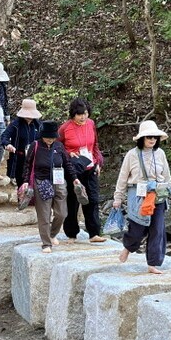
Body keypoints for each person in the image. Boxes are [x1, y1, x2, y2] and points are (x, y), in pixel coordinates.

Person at [113, 120, 171, 273]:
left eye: (154, 137)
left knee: (157, 229)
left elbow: (166, 177)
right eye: (148, 137)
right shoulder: (132, 155)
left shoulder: (161, 154)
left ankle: (153, 264)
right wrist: (118, 198)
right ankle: (128, 247)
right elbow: (123, 178)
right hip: (138, 196)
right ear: (141, 139)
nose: (152, 140)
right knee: (137, 227)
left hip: (158, 195)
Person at [23, 120, 79, 253]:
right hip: (41, 182)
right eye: (48, 137)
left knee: (62, 213)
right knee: (44, 215)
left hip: (59, 182)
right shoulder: (35, 145)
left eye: (53, 137)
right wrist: (25, 181)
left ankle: (52, 234)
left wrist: (75, 179)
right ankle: (46, 243)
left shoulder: (59, 146)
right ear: (42, 135)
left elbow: (68, 164)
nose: (50, 139)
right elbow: (27, 165)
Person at [59, 98, 106, 243]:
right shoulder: (64, 128)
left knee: (92, 199)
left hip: (90, 167)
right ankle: (71, 234)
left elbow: (95, 145)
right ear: (73, 114)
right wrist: (68, 154)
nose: (83, 117)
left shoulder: (91, 124)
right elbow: (57, 148)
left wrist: (98, 162)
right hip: (74, 169)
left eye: (85, 113)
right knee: (73, 201)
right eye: (79, 114)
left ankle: (94, 234)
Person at [2, 98, 41, 186]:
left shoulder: (38, 125)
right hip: (19, 158)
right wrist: (8, 144)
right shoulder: (15, 125)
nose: (29, 117)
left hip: (34, 158)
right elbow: (4, 136)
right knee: (21, 182)